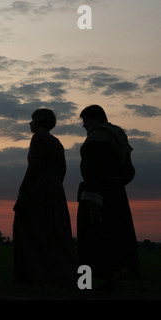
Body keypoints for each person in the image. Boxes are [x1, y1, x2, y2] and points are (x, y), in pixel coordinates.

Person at [13, 108, 78, 289]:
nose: (30, 123)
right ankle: (57, 273)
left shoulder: (39, 138)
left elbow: (34, 165)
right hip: (55, 188)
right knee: (53, 229)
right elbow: (62, 169)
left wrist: (24, 188)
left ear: (39, 122)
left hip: (39, 188)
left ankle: (37, 274)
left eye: (32, 120)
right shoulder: (56, 142)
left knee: (33, 229)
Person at [77, 104, 140, 291]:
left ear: (95, 119)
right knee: (115, 235)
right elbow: (129, 171)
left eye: (85, 120)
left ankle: (86, 284)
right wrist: (117, 185)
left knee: (91, 238)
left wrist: (91, 196)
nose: (84, 125)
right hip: (116, 192)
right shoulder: (117, 135)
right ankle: (115, 275)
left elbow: (93, 170)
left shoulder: (97, 138)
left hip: (98, 192)